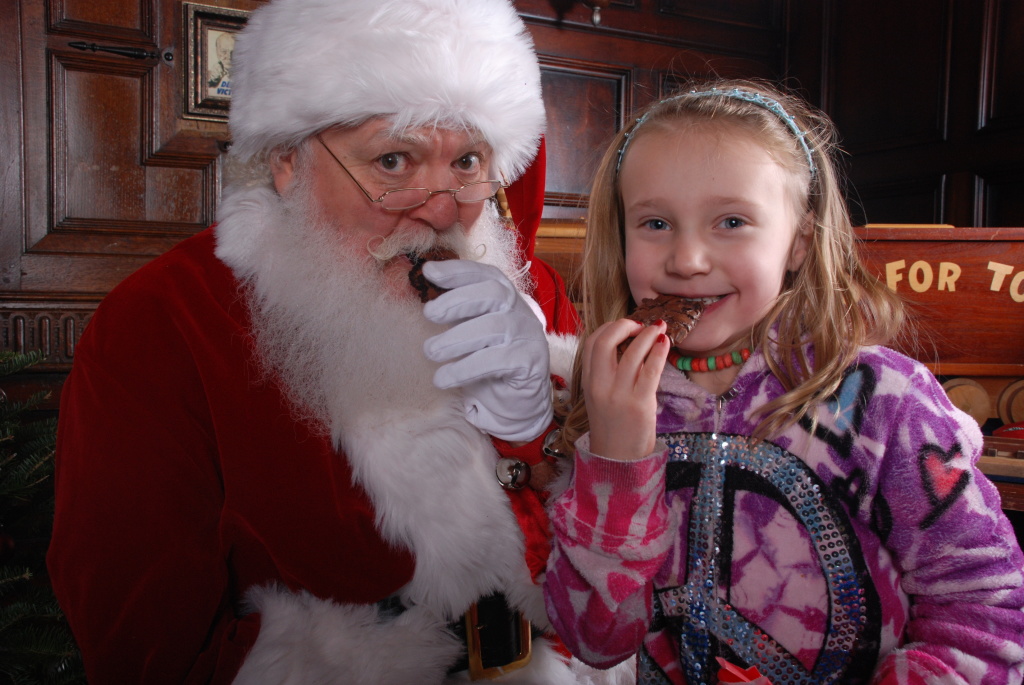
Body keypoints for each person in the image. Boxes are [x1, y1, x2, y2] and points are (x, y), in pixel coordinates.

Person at [46, 1, 630, 683]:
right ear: (288, 161)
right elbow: (146, 654)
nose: (442, 209)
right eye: (392, 160)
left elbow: (615, 552)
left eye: (467, 160)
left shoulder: (534, 298)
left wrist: (544, 432)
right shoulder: (159, 324)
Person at [542, 78, 1024, 684]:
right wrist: (614, 457)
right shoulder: (610, 398)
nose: (687, 259)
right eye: (656, 223)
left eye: (732, 221)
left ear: (798, 241)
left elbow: (987, 610)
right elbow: (593, 639)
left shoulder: (886, 402)